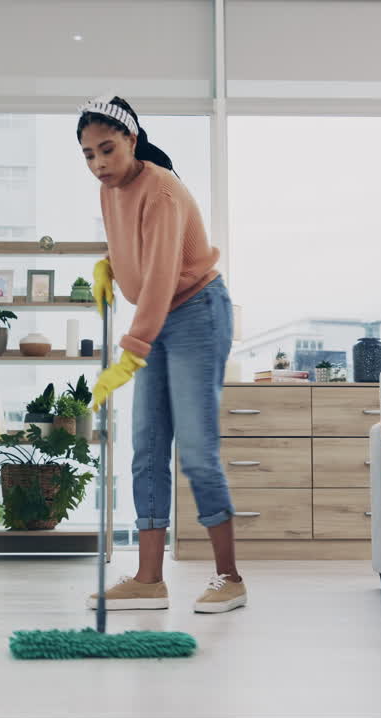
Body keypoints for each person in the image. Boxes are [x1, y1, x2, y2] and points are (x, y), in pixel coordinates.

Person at [78, 96, 245, 614]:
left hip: (196, 313)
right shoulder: (111, 192)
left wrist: (129, 353)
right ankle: (150, 579)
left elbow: (160, 277)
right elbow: (133, 248)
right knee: (146, 448)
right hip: (158, 319)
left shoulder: (164, 189)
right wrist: (108, 264)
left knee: (195, 449)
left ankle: (230, 577)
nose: (99, 163)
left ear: (132, 139)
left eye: (107, 149)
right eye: (88, 155)